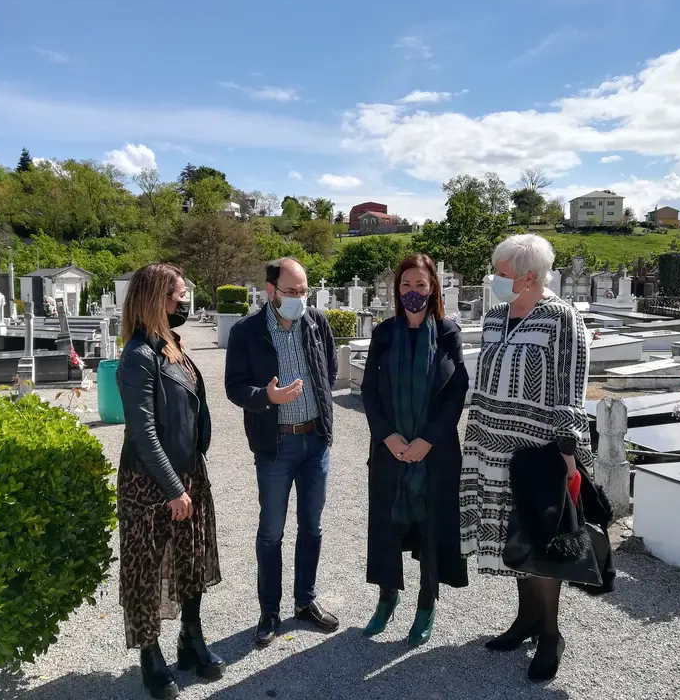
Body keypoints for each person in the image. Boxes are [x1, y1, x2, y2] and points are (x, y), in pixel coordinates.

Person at [459, 235, 592, 681]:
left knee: (539, 543)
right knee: (512, 541)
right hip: (491, 444)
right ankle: (526, 620)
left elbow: (571, 386)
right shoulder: (496, 315)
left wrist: (569, 449)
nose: (494, 278)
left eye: (501, 271)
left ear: (530, 276)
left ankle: (551, 633)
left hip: (536, 450)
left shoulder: (562, 319)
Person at [116, 263, 225, 699]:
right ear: (155, 299)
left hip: (188, 473)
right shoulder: (137, 356)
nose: (184, 302)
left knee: (190, 560)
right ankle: (150, 654)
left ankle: (190, 639)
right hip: (151, 484)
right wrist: (172, 489)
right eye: (177, 296)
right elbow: (141, 432)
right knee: (146, 568)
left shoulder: (171, 345)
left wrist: (188, 480)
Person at [224, 257, 340, 647]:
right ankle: (269, 612)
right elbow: (235, 387)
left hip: (315, 442)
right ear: (270, 290)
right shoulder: (247, 331)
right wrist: (267, 397)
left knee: (312, 526)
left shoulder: (315, 322)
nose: (299, 298)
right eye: (291, 292)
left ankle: (305, 602)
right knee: (271, 531)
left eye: (304, 291)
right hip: (276, 445)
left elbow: (329, 369)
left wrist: (323, 420)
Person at [360, 254, 469, 647]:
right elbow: (369, 391)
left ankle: (427, 604)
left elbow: (456, 392)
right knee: (387, 525)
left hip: (433, 453)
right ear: (397, 289)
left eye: (421, 286)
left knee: (430, 527)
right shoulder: (384, 333)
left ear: (433, 288)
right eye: (406, 285)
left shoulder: (448, 333)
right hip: (390, 450)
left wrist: (428, 439)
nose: (413, 293)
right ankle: (387, 598)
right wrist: (387, 436)